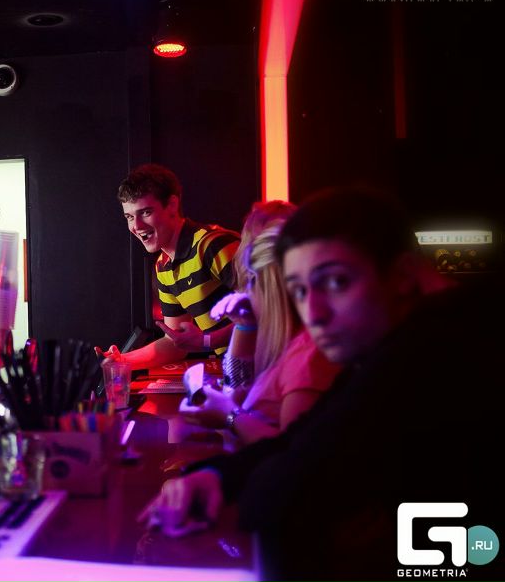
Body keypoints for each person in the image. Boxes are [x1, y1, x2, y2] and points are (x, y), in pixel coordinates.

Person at [139, 187, 501, 580]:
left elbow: (288, 493)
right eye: (299, 290)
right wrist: (215, 477)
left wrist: (226, 470)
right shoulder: (388, 348)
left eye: (336, 282)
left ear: (402, 275)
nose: (314, 312)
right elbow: (307, 438)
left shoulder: (434, 352)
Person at [183, 221, 340, 447]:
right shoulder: (281, 339)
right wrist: (244, 325)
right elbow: (235, 392)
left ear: (268, 285)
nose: (245, 291)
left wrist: (229, 416)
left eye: (249, 281)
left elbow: (290, 450)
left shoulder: (308, 355)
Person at [106, 164, 240, 368]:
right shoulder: (164, 267)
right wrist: (121, 360)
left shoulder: (213, 245)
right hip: (240, 371)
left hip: (273, 368)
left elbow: (268, 313)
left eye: (146, 212)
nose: (137, 226)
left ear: (172, 205)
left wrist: (207, 341)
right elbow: (175, 344)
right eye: (130, 217)